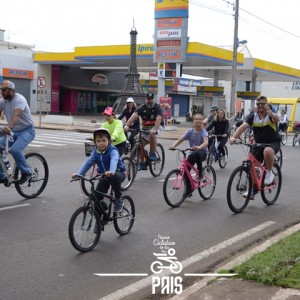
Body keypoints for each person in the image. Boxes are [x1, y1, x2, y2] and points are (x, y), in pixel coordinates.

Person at [229, 95, 281, 199]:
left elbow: (276, 119)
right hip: (258, 143)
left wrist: (272, 114)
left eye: (263, 104)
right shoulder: (253, 116)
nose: (260, 106)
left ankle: (269, 173)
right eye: (258, 104)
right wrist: (234, 137)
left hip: (272, 142)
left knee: (267, 151)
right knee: (252, 166)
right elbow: (243, 127)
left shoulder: (270, 114)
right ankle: (253, 190)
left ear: (267, 105)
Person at [72, 128, 125, 212]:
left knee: (113, 176)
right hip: (104, 175)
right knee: (96, 198)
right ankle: (100, 222)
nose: (101, 143)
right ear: (95, 142)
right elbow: (88, 163)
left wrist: (112, 171)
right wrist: (79, 174)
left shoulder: (112, 150)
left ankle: (119, 199)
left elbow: (114, 161)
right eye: (98, 141)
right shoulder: (95, 152)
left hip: (118, 173)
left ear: (109, 140)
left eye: (104, 140)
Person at [0, 80, 35, 184]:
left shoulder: (19, 99)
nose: (2, 92)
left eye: (4, 90)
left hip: (27, 130)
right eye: (1, 90)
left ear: (12, 90)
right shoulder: (3, 101)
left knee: (15, 150)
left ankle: (27, 172)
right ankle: (3, 176)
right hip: (13, 132)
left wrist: (9, 127)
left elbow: (16, 115)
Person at [169, 114, 208, 197]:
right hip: (192, 152)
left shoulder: (203, 131)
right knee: (185, 171)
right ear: (193, 121)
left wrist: (199, 147)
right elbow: (181, 139)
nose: (198, 120)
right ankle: (189, 189)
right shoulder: (190, 131)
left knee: (197, 153)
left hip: (202, 152)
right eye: (196, 119)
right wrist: (174, 145)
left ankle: (200, 173)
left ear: (202, 121)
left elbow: (206, 142)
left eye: (200, 119)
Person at [124, 92, 164, 170]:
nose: (150, 100)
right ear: (145, 99)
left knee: (152, 135)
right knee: (140, 143)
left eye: (151, 99)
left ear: (153, 99)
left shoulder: (157, 107)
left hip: (157, 125)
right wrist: (127, 125)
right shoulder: (141, 108)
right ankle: (142, 162)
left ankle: (152, 153)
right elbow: (133, 117)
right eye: (148, 99)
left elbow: (158, 119)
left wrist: (155, 129)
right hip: (145, 127)